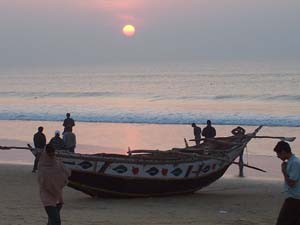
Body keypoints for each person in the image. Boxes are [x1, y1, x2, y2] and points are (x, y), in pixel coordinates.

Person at [38, 144, 70, 225]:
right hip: (47, 196)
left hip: (57, 195)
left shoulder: (58, 163)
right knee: (56, 221)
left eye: (53, 152)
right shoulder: (42, 165)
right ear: (46, 153)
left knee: (52, 221)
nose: (51, 154)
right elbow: (43, 181)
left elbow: (65, 173)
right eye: (49, 153)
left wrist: (61, 182)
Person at [273, 141, 300, 225]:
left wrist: (284, 171)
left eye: (278, 154)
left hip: (295, 198)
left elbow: (292, 183)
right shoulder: (291, 162)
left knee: (282, 222)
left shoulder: (295, 163)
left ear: (284, 152)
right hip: (294, 197)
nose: (277, 156)